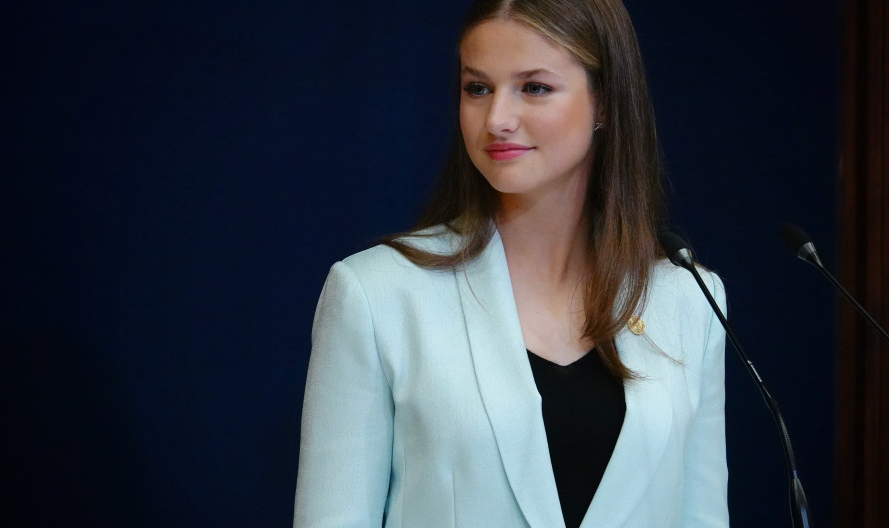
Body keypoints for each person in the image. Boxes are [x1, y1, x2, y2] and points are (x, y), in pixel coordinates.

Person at [294, 0, 728, 526]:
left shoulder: (690, 298)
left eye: (534, 87)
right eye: (478, 88)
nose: (497, 119)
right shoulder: (376, 293)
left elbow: (702, 515)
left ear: (607, 101)